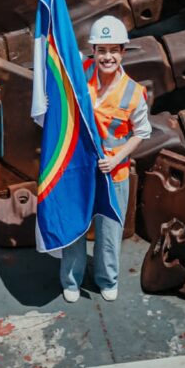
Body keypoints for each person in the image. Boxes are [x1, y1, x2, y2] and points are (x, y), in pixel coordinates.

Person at [60, 15, 151, 303]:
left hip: (114, 172)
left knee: (110, 230)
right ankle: (71, 281)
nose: (107, 57)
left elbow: (142, 133)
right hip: (80, 170)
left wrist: (116, 159)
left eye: (113, 50)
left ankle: (107, 279)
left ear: (123, 51)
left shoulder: (134, 93)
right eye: (101, 50)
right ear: (93, 51)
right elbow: (60, 49)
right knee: (75, 225)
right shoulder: (82, 70)